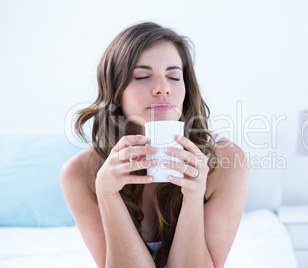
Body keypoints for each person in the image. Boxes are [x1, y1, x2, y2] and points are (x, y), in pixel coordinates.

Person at [60, 22, 249, 268]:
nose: (163, 89)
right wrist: (108, 196)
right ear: (116, 93)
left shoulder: (225, 161)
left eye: (173, 76)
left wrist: (193, 200)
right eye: (142, 76)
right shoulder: (80, 173)